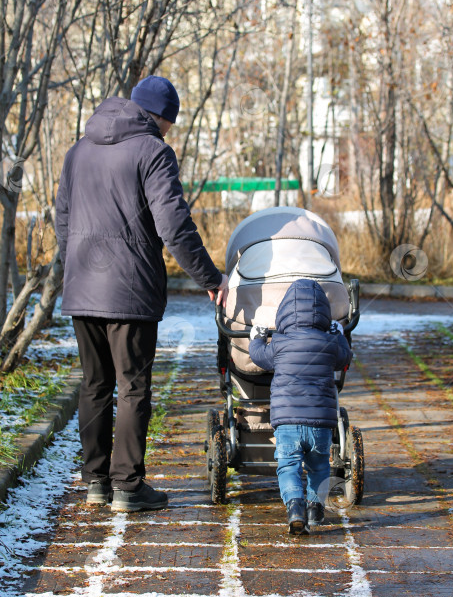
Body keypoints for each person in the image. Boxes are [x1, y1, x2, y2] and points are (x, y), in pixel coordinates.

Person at [55, 75, 228, 513]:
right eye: (170, 122)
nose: (169, 131)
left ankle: (95, 482)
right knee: (133, 386)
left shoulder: (78, 150)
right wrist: (211, 278)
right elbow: (174, 226)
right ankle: (128, 487)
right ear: (162, 116)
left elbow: (63, 219)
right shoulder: (153, 151)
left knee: (94, 384)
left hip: (82, 288)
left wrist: (75, 268)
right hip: (129, 293)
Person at [249, 278, 352, 534]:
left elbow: (259, 356)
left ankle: (295, 507)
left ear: (284, 312)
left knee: (288, 466)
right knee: (320, 467)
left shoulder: (280, 344)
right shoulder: (329, 344)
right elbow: (344, 357)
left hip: (288, 424)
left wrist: (257, 338)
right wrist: (337, 334)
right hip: (321, 425)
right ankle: (315, 509)